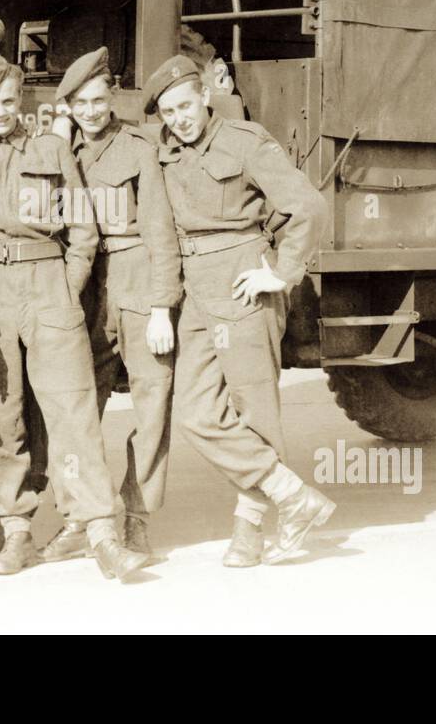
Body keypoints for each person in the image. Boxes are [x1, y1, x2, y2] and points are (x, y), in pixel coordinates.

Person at [0, 51, 147, 581]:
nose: (1, 111)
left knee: (74, 412)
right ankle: (17, 532)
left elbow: (83, 228)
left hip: (49, 287)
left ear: (21, 103)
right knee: (6, 416)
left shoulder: (51, 148)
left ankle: (101, 532)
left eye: (9, 101)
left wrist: (67, 287)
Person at [146, 54, 334, 566]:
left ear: (206, 96)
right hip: (196, 294)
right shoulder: (165, 155)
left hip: (244, 285)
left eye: (185, 105)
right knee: (194, 411)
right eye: (168, 112)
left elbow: (308, 206)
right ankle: (292, 495)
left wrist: (281, 271)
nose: (179, 119)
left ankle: (250, 529)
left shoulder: (244, 141)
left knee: (256, 410)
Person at [41, 47, 181, 560]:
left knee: (152, 405)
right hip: (87, 288)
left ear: (112, 96)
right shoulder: (60, 151)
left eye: (99, 100)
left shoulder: (139, 148)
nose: (92, 111)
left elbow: (161, 230)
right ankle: (80, 516)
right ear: (68, 107)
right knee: (75, 407)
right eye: (80, 104)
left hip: (138, 279)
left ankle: (137, 516)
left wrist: (163, 305)